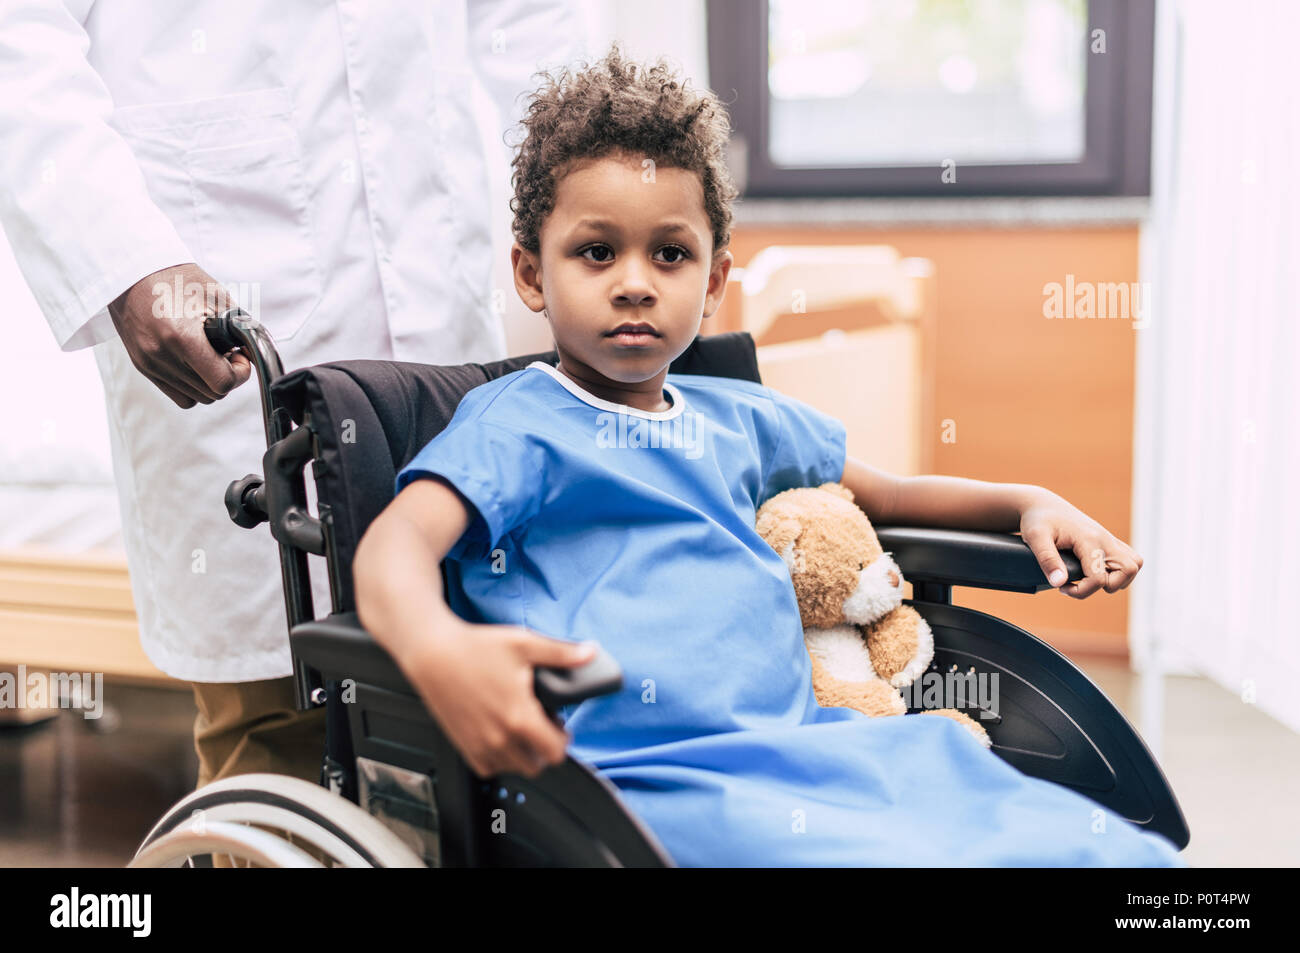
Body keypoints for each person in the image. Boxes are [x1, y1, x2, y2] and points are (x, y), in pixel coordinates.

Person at [352, 45, 1185, 866]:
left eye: (669, 254)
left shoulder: (740, 416)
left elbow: (889, 495)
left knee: (1096, 851)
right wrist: (436, 649)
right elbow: (396, 544)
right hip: (639, 786)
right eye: (597, 252)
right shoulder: (516, 425)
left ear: (713, 282)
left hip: (818, 749)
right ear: (533, 275)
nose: (636, 282)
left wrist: (1027, 501)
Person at [0, 0, 587, 792]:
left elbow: (532, 21)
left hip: (440, 294)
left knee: (474, 741)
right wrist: (126, 260)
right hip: (233, 298)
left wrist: (598, 197)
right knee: (279, 737)